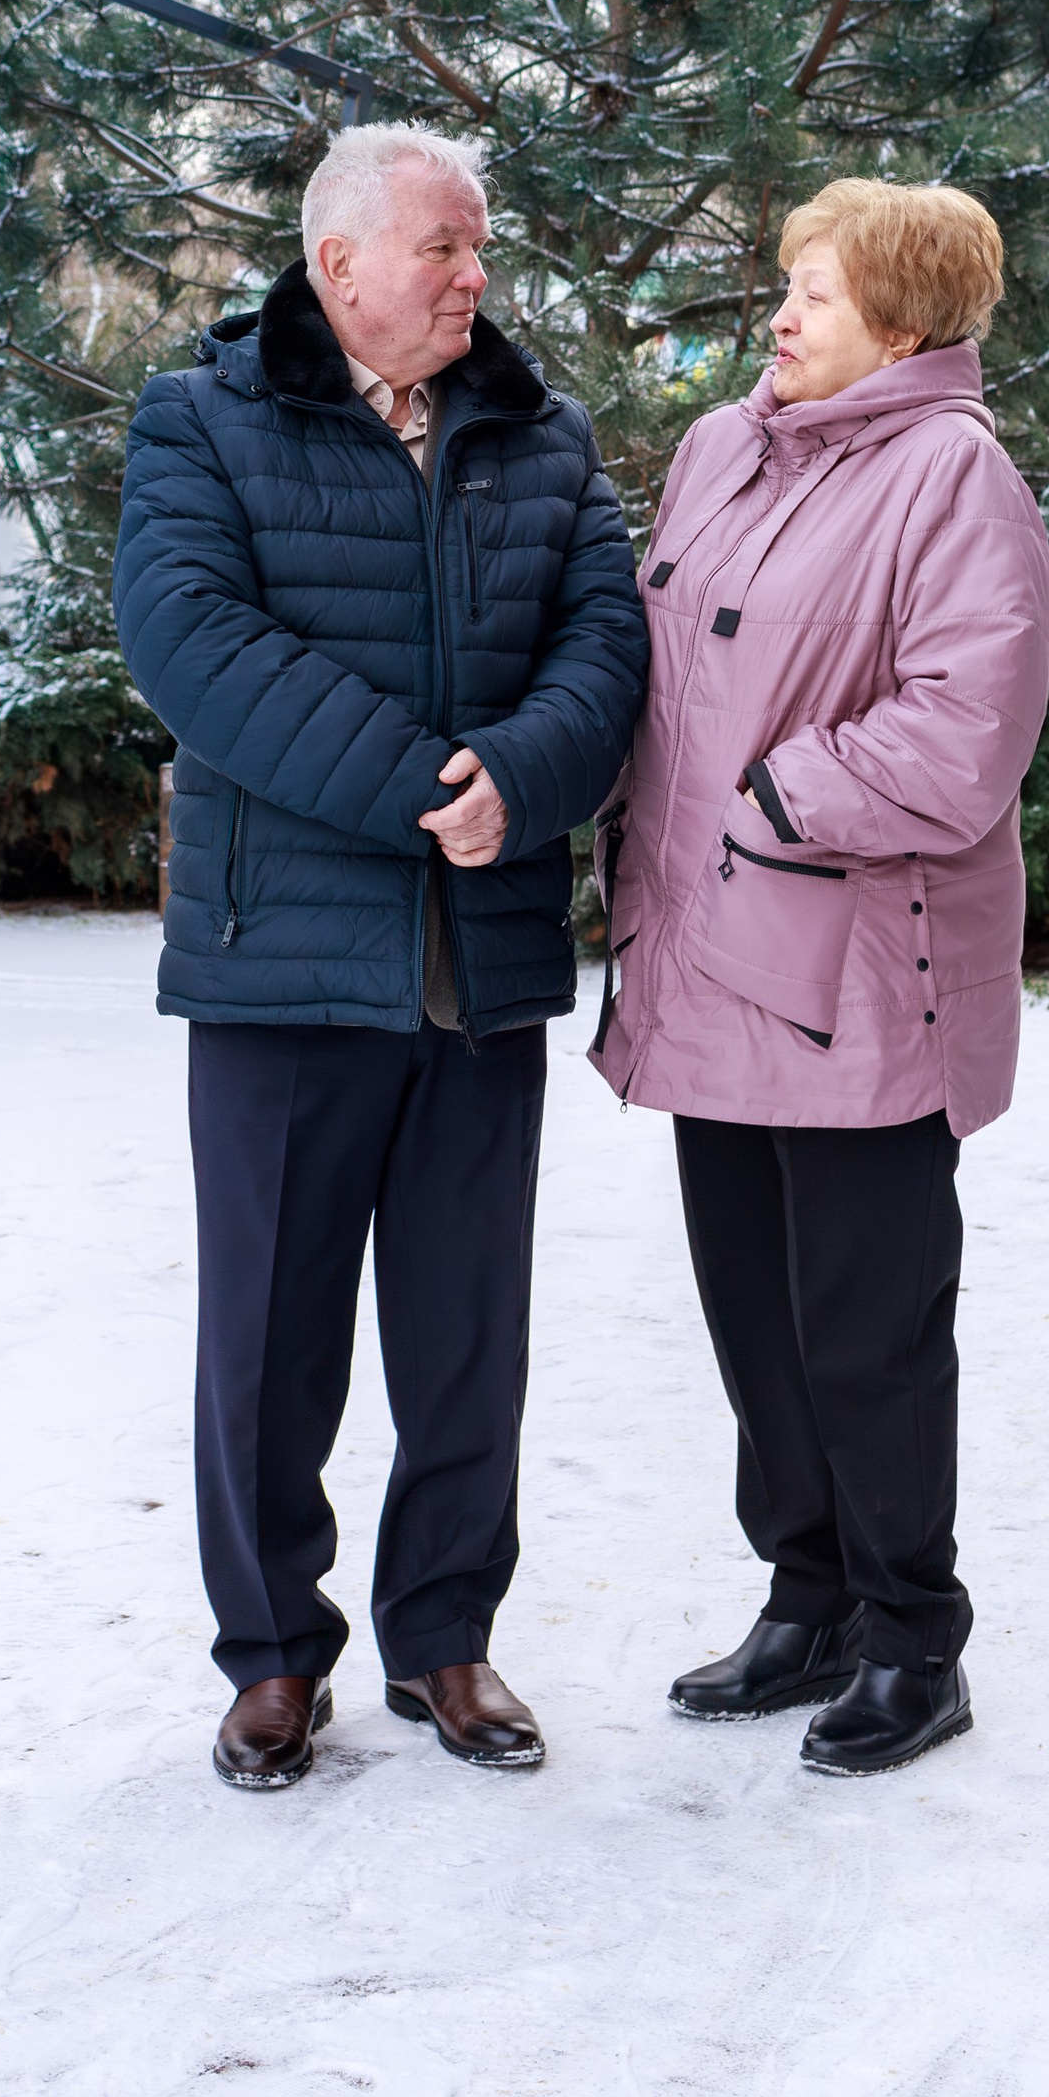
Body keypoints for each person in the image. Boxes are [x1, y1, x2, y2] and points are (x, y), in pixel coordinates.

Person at [115, 124, 649, 1794]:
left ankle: (445, 1634)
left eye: (479, 247)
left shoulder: (544, 435)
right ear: (338, 262)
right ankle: (273, 1654)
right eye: (442, 247)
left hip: (479, 968)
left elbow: (608, 643)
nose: (475, 275)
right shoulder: (201, 418)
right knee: (269, 1337)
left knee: (468, 1329)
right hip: (281, 962)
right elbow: (192, 642)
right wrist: (434, 787)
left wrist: (528, 776)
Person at [593, 179, 1049, 1777]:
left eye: (819, 294)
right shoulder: (722, 449)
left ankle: (915, 1637)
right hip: (700, 948)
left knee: (868, 1328)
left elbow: (967, 730)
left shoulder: (955, 475)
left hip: (855, 971)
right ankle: (809, 1595)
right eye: (784, 285)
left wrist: (780, 794)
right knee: (755, 1319)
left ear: (905, 324)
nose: (780, 318)